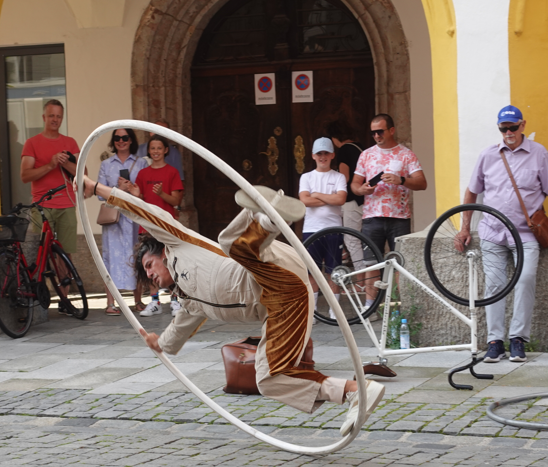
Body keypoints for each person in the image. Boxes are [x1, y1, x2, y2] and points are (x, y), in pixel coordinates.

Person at [78, 174, 385, 437]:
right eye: (145, 274)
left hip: (271, 267)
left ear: (160, 251)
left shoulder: (177, 242)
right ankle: (356, 392)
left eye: (149, 264)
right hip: (285, 303)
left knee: (230, 245)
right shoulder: (189, 304)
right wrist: (158, 343)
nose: (150, 275)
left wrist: (98, 190)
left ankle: (267, 216)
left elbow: (144, 212)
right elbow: (175, 336)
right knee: (269, 379)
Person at [458, 105, 548, 363]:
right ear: (499, 128)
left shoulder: (538, 153)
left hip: (525, 233)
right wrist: (464, 227)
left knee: (525, 280)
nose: (508, 132)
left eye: (513, 127)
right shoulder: (488, 155)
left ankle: (518, 339)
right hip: (492, 231)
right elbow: (471, 192)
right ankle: (495, 341)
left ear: (523, 125)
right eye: (503, 128)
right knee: (495, 286)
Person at [350, 114, 427, 308]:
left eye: (380, 131)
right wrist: (363, 189)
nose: (376, 135)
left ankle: (402, 306)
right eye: (373, 132)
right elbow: (354, 185)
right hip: (372, 216)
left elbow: (421, 183)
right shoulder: (366, 154)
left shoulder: (406, 154)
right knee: (370, 264)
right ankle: (370, 306)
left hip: (399, 217)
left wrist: (401, 180)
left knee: (400, 263)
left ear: (391, 130)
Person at [20, 99, 81, 315]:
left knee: (64, 253)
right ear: (44, 118)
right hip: (41, 205)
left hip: (66, 202)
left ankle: (64, 299)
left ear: (61, 118)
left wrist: (65, 163)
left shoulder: (70, 142)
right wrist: (50, 164)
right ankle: (39, 295)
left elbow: (81, 173)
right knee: (40, 252)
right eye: (51, 115)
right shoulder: (32, 143)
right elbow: (25, 175)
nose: (55, 119)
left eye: (58, 116)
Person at [130, 135, 184, 317]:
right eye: (152, 148)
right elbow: (141, 201)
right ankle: (155, 301)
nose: (155, 152)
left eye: (159, 148)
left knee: (170, 261)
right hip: (147, 225)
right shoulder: (143, 174)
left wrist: (162, 194)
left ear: (166, 150)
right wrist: (136, 195)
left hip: (167, 225)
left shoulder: (172, 172)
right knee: (149, 263)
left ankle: (175, 300)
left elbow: (176, 200)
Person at [97, 128, 148, 316]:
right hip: (114, 219)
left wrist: (132, 189)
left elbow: (144, 193)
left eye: (125, 137)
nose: (121, 141)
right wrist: (117, 189)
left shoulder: (141, 163)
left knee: (136, 257)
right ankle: (110, 303)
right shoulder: (106, 164)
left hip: (134, 217)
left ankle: (138, 300)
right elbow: (99, 194)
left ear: (131, 140)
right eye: (117, 138)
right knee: (111, 259)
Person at [299, 137, 347, 320]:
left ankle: (335, 311)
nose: (323, 157)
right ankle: (313, 312)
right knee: (312, 272)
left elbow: (340, 199)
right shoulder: (306, 177)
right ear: (313, 155)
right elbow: (305, 200)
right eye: (319, 153)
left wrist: (317, 195)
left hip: (333, 228)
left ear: (332, 155)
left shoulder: (339, 177)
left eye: (326, 153)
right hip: (311, 229)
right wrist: (329, 197)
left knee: (334, 271)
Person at [326, 120, 366, 292]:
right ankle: (365, 279)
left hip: (351, 201)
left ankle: (361, 282)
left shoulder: (344, 150)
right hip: (364, 199)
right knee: (361, 241)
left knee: (352, 240)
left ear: (335, 138)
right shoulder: (360, 148)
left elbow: (344, 177)